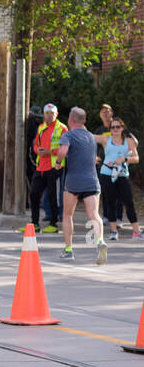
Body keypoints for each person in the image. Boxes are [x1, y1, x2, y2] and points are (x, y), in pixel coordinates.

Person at [56, 106, 107, 263]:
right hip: (92, 180)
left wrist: (58, 162)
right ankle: (100, 241)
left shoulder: (69, 135)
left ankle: (69, 250)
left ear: (70, 120)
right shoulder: (91, 137)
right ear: (84, 120)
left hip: (73, 182)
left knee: (67, 215)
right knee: (94, 214)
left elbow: (63, 151)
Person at [96, 117, 140, 240]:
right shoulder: (106, 139)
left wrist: (124, 159)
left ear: (122, 128)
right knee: (111, 203)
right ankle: (114, 231)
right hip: (107, 173)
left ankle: (136, 231)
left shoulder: (129, 141)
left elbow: (136, 158)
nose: (115, 129)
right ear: (109, 129)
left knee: (129, 202)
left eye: (117, 127)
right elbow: (89, 137)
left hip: (122, 174)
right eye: (112, 127)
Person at [31, 104, 66, 233]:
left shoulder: (62, 128)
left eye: (52, 113)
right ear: (44, 115)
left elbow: (65, 148)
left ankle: (54, 223)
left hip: (55, 166)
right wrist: (38, 151)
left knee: (53, 195)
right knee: (34, 194)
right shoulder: (41, 127)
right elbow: (35, 145)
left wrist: (50, 151)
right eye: (47, 113)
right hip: (41, 167)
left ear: (56, 114)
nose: (49, 115)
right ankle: (34, 223)